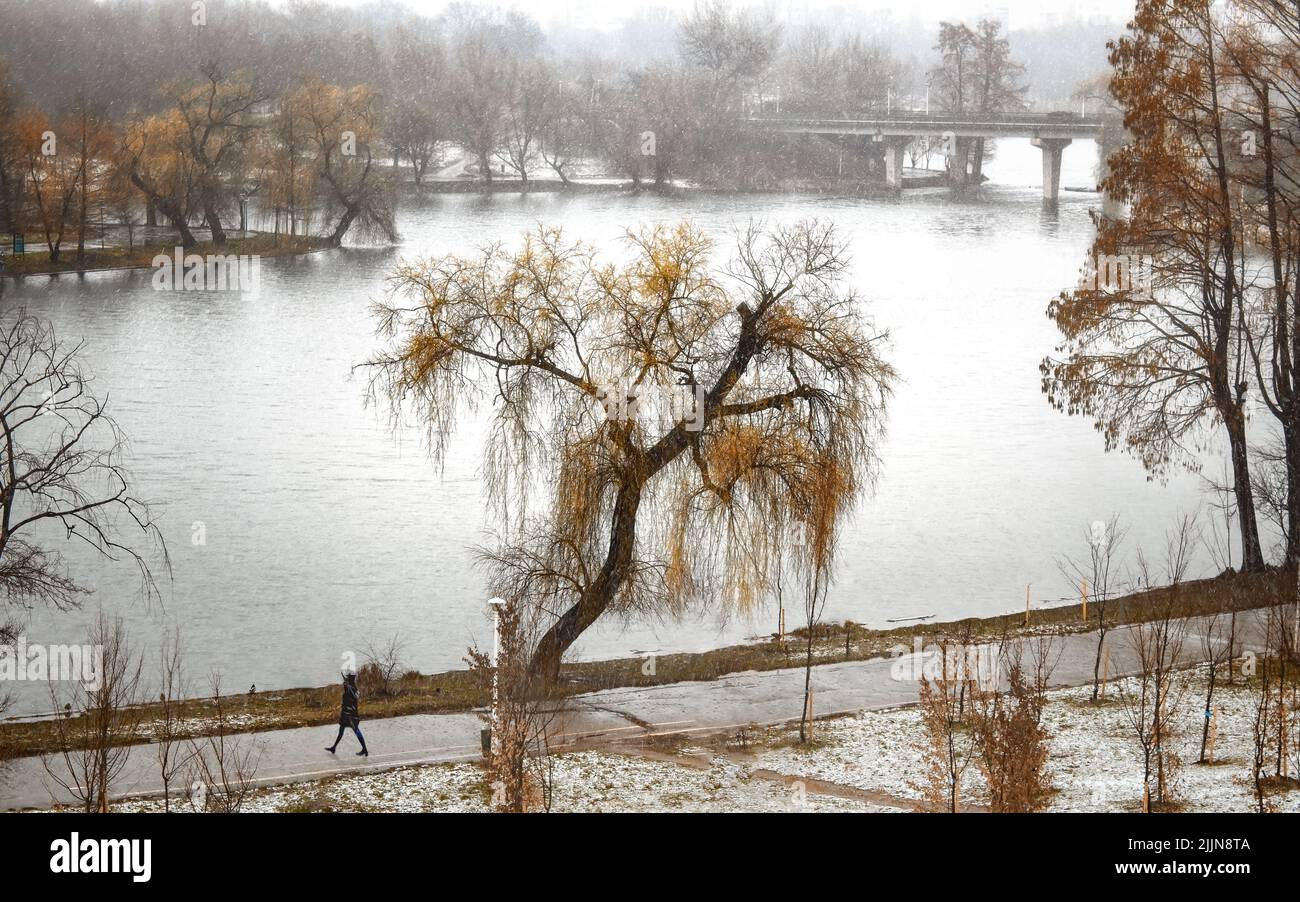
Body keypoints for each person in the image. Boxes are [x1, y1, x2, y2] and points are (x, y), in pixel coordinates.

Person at [325, 671, 368, 757]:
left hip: (351, 715)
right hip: (346, 714)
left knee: (356, 731)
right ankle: (334, 747)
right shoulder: (352, 687)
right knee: (341, 731)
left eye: (348, 677)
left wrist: (346, 685)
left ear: (350, 678)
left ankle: (364, 749)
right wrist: (346, 685)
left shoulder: (352, 688)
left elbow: (351, 694)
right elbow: (348, 691)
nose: (347, 678)